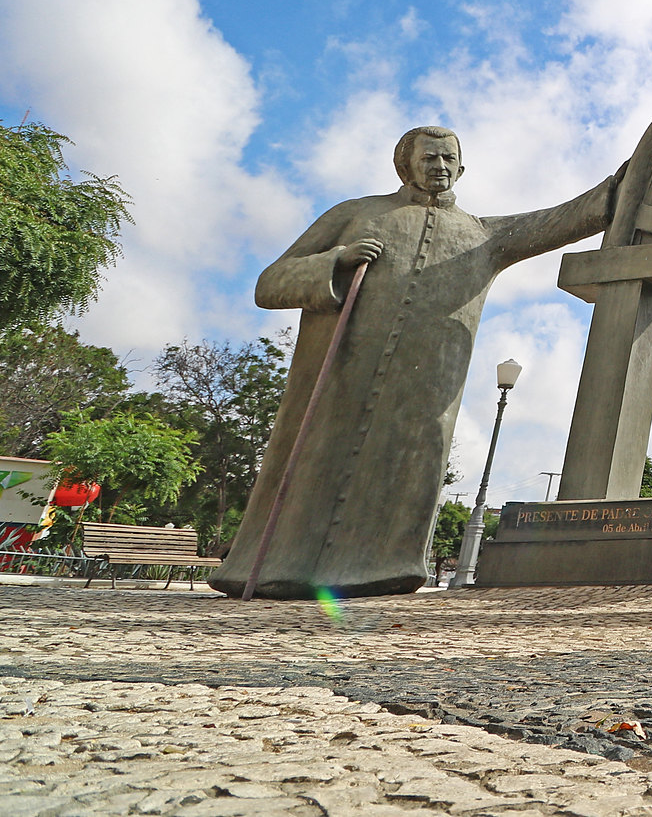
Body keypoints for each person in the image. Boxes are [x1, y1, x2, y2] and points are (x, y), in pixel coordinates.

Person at [212, 127, 618, 599]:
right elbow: (269, 283)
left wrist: (627, 182)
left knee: (401, 472)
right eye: (429, 158)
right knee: (313, 469)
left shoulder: (482, 235)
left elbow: (567, 218)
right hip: (338, 379)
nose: (440, 167)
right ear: (404, 165)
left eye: (449, 159)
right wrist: (336, 261)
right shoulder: (355, 214)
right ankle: (274, 567)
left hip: (421, 396)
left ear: (462, 169)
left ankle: (381, 568)